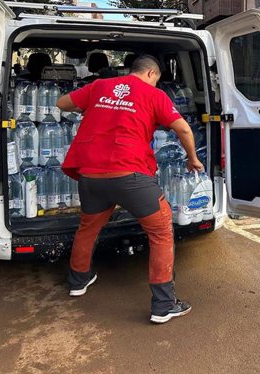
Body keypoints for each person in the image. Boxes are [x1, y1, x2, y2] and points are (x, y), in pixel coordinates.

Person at [56, 55, 204, 324]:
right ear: (151, 74)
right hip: (130, 175)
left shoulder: (100, 86)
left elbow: (62, 103)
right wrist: (193, 158)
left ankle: (78, 281)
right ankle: (163, 304)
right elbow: (183, 129)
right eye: (156, 79)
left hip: (91, 175)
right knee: (160, 231)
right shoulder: (154, 94)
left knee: (88, 228)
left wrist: (99, 109)